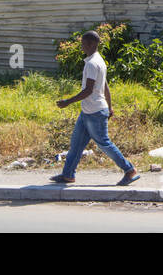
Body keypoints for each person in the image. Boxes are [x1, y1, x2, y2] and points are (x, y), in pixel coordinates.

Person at [50, 30, 140, 186]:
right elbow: (105, 86)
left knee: (104, 143)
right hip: (89, 111)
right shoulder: (99, 61)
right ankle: (68, 175)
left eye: (83, 44)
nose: (82, 47)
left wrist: (67, 102)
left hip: (95, 112)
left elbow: (89, 90)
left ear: (91, 44)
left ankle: (129, 170)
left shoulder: (92, 63)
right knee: (76, 144)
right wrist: (110, 107)